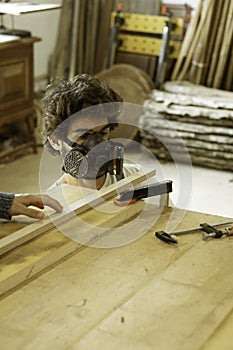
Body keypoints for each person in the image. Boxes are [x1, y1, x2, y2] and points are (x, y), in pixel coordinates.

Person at [41, 73, 141, 190]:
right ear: (55, 141)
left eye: (103, 133)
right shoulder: (52, 203)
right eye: (84, 135)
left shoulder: (137, 178)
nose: (97, 145)